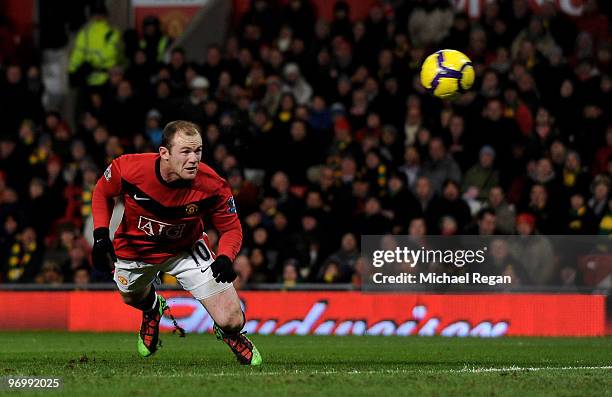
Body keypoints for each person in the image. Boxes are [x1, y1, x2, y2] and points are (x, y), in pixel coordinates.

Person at [91, 120, 262, 365]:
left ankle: (230, 333)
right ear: (164, 153)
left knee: (232, 319)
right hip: (135, 248)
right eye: (186, 151)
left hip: (186, 249)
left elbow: (231, 227)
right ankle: (152, 309)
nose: (194, 159)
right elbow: (102, 192)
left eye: (198, 151)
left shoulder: (213, 185)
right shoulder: (129, 168)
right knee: (130, 297)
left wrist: (225, 256)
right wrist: (100, 235)